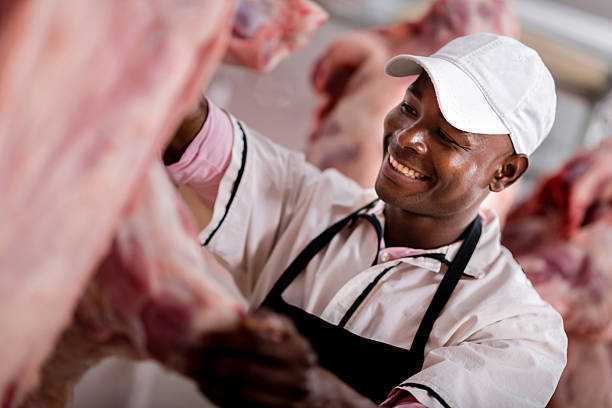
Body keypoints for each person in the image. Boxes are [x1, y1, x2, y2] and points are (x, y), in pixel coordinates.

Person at [165, 33, 567, 407]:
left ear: (506, 172)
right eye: (410, 108)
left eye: (446, 137)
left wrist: (315, 393)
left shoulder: (518, 329)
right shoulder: (311, 204)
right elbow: (189, 130)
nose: (407, 137)